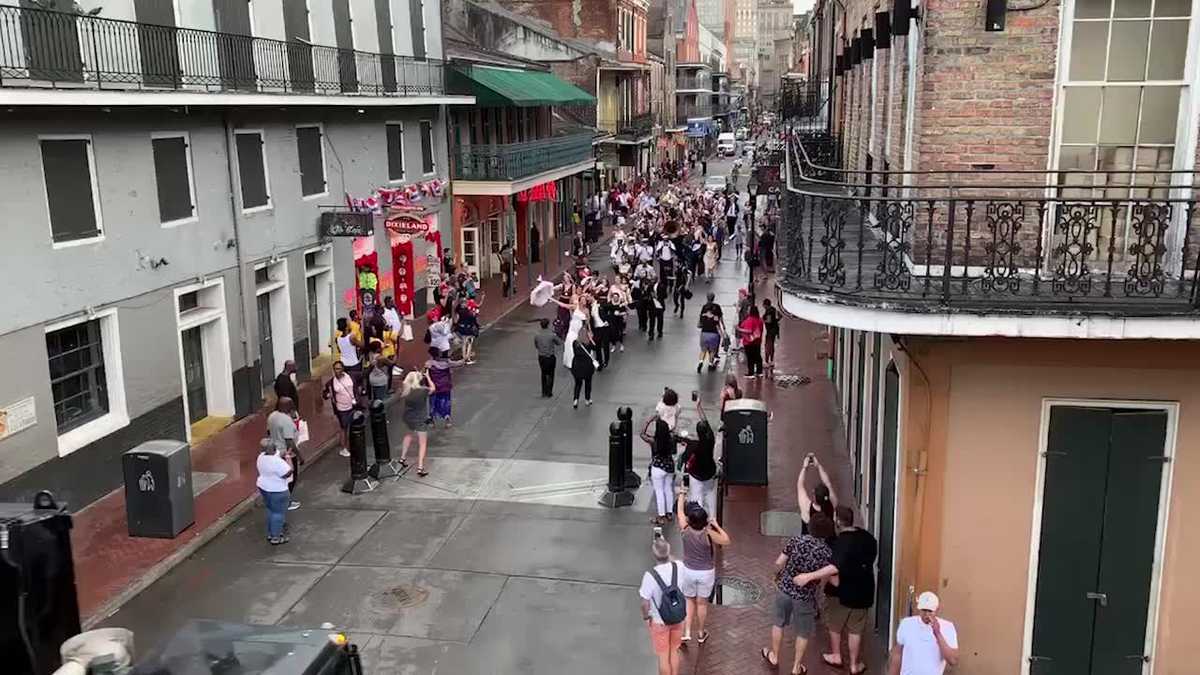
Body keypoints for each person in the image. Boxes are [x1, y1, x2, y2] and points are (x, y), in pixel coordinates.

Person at [761, 511, 836, 674]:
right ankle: (796, 667)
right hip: (805, 597)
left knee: (778, 623)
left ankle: (774, 655)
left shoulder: (795, 541)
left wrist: (776, 576)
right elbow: (829, 578)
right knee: (803, 632)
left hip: (785, 589)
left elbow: (779, 562)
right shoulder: (827, 553)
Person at [820, 506, 879, 674]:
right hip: (864, 591)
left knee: (835, 625)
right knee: (856, 630)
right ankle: (854, 665)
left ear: (838, 522)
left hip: (841, 594)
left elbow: (833, 569)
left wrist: (815, 578)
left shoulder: (839, 544)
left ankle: (836, 655)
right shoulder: (868, 538)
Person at [675, 491, 730, 646]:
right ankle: (700, 633)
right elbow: (726, 540)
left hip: (688, 571)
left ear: (689, 519)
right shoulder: (708, 534)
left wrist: (682, 495)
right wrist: (717, 526)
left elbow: (679, 511)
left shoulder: (685, 529)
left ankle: (686, 632)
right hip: (706, 572)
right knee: (702, 604)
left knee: (689, 601)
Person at [639, 539, 684, 675]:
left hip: (659, 621)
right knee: (674, 651)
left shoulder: (650, 576)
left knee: (663, 657)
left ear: (654, 555)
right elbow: (674, 560)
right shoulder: (679, 567)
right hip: (678, 617)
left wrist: (647, 617)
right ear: (669, 552)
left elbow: (645, 602)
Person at [889, 592, 959, 675]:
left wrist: (937, 633)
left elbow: (953, 660)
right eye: (924, 610)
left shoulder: (947, 627)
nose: (926, 614)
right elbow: (897, 655)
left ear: (936, 609)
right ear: (919, 609)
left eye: (930, 611)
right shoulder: (907, 624)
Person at [267, 396, 302, 511]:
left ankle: (281, 500)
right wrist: (300, 456)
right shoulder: (286, 421)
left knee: (280, 478)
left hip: (275, 452)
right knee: (291, 478)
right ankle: (286, 502)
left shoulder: (272, 416)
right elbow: (289, 441)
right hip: (286, 454)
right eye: (291, 404)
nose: (293, 406)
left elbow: (268, 432)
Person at [256, 438, 293, 545]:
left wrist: (283, 454)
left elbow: (275, 455)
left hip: (264, 487)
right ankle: (276, 537)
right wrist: (288, 458)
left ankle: (271, 532)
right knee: (278, 513)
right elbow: (288, 472)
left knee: (271, 510)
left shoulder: (261, 457)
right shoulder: (277, 462)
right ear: (274, 448)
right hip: (278, 490)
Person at [398, 370, 434, 477]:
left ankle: (402, 458)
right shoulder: (422, 391)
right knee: (422, 443)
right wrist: (428, 377)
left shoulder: (406, 391)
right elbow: (433, 388)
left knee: (408, 435)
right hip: (420, 419)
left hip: (408, 418)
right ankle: (420, 467)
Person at [643, 417, 677, 525]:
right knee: (668, 490)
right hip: (669, 466)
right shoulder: (671, 439)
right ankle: (669, 513)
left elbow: (642, 434)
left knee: (659, 491)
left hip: (657, 467)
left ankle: (661, 516)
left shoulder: (654, 441)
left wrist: (648, 422)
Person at [797, 453, 838, 539]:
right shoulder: (832, 503)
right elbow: (828, 483)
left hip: (810, 546)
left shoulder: (807, 508)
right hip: (828, 545)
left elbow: (800, 485)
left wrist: (805, 467)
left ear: (814, 498)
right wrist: (818, 466)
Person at [322, 361, 357, 458]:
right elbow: (324, 394)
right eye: (335, 369)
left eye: (339, 368)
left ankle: (352, 445)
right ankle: (344, 448)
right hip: (341, 409)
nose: (337, 371)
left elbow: (359, 379)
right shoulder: (331, 382)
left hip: (352, 406)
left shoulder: (350, 376)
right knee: (344, 428)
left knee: (353, 426)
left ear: (343, 369)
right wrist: (328, 395)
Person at [425, 347, 463, 428]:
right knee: (446, 403)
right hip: (445, 386)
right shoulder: (446, 363)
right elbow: (459, 363)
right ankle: (447, 420)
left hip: (434, 388)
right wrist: (465, 357)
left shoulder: (428, 363)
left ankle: (431, 420)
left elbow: (424, 374)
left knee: (433, 403)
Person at [534, 318, 562, 397]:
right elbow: (559, 342)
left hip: (541, 357)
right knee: (551, 374)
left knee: (543, 373)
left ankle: (544, 391)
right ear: (548, 325)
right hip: (550, 356)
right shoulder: (552, 334)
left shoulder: (537, 335)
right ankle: (549, 391)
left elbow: (536, 345)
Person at [570, 328, 598, 408]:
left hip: (577, 366)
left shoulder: (575, 343)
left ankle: (575, 400)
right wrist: (590, 338)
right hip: (587, 367)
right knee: (588, 384)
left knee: (578, 384)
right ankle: (587, 399)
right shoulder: (588, 344)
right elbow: (596, 347)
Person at [697, 293, 723, 373]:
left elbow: (701, 318)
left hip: (704, 332)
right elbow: (719, 319)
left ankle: (701, 362)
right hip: (713, 333)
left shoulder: (704, 307)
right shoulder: (717, 307)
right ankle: (710, 364)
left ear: (707, 298)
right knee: (712, 350)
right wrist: (723, 330)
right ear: (713, 298)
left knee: (703, 350)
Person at [737, 304, 765, 378]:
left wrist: (739, 329)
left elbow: (749, 330)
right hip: (757, 341)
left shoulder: (750, 319)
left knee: (750, 357)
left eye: (749, 309)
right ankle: (759, 372)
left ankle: (751, 373)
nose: (747, 311)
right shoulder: (760, 320)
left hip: (749, 342)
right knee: (758, 356)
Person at [762, 298, 781, 374]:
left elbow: (768, 321)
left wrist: (763, 320)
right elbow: (780, 316)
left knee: (767, 345)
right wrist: (776, 321)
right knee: (772, 345)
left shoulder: (769, 311)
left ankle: (766, 361)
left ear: (766, 305)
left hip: (770, 331)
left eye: (763, 305)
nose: (763, 306)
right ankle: (772, 360)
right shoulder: (773, 309)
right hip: (775, 330)